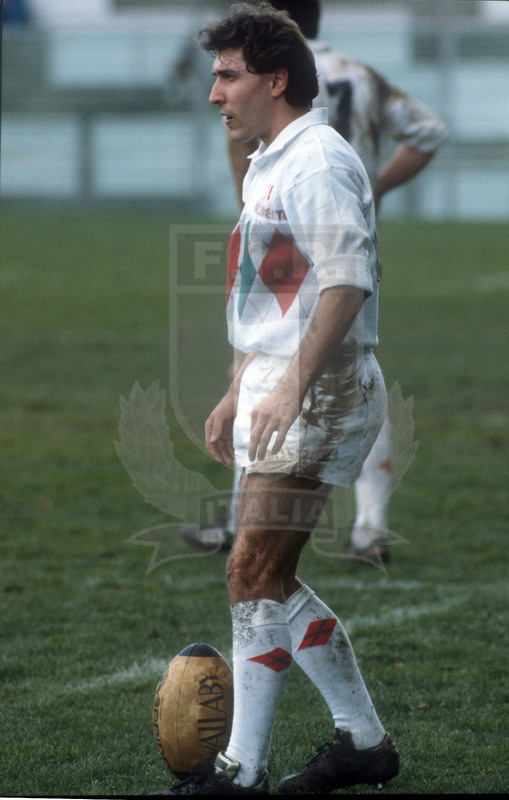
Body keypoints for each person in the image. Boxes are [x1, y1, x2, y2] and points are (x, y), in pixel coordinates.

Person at [154, 2, 399, 795]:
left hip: (321, 393)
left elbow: (348, 283)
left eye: (228, 76)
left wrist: (292, 386)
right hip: (282, 386)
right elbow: (278, 290)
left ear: (276, 80)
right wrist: (239, 386)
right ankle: (362, 743)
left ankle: (241, 771)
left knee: (252, 568)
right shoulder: (271, 160)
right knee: (266, 575)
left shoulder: (317, 161)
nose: (214, 93)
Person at [181, 0, 449, 566]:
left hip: (297, 225)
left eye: (227, 76)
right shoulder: (357, 72)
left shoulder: (277, 102)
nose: (219, 92)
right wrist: (375, 188)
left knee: (311, 362)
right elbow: (429, 131)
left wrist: (255, 206)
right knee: (316, 361)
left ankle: (244, 525)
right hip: (342, 227)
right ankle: (369, 525)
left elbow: (245, 150)